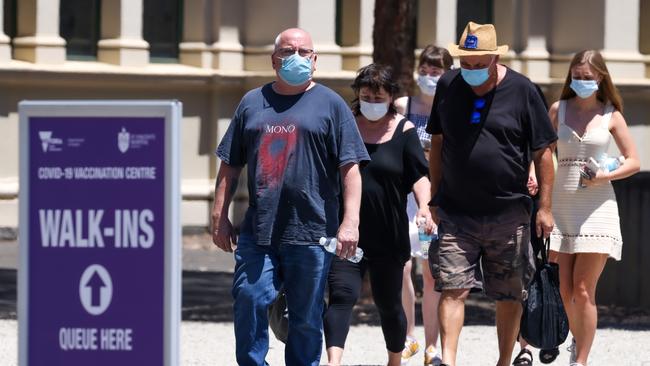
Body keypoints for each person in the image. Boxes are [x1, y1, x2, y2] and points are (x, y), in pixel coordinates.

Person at [211, 28, 369, 366]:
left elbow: (351, 170)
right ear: (273, 60)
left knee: (306, 317)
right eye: (286, 51)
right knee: (249, 297)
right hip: (260, 229)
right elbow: (230, 164)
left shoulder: (332, 105)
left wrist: (350, 223)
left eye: (302, 51)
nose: (294, 56)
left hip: (312, 232)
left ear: (314, 60)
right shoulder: (252, 102)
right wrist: (219, 216)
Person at [426, 22, 557, 366]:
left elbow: (544, 151)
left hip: (509, 213)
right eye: (465, 64)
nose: (470, 71)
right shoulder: (448, 84)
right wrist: (434, 195)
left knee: (509, 294)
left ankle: (502, 360)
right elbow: (437, 142)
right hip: (456, 211)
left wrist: (544, 207)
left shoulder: (524, 90)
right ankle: (449, 360)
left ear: (496, 58)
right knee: (453, 288)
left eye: (478, 65)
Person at [323, 63, 433, 366]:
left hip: (388, 233)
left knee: (389, 303)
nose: (372, 102)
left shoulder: (404, 130)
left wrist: (424, 206)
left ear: (390, 96)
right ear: (358, 95)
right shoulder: (345, 125)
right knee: (342, 296)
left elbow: (419, 176)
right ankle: (333, 362)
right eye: (367, 96)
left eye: (378, 97)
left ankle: (394, 360)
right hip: (347, 231)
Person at [547, 50, 640, 366]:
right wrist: (533, 179)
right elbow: (543, 154)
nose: (582, 82)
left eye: (588, 77)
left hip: (598, 206)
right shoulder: (558, 110)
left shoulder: (611, 114)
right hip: (561, 203)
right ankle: (577, 336)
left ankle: (580, 359)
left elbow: (634, 161)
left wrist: (605, 175)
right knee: (563, 289)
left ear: (601, 78)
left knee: (584, 290)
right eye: (577, 76)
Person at [394, 45, 453, 366]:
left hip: (438, 199)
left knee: (432, 273)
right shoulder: (404, 105)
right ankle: (409, 337)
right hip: (405, 198)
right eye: (426, 70)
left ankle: (432, 346)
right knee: (402, 267)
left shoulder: (452, 108)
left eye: (436, 70)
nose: (429, 76)